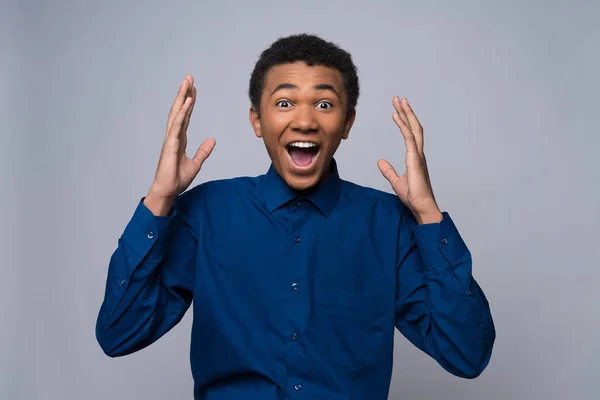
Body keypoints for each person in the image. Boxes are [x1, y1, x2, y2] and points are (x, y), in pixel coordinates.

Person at [96, 33, 495, 399]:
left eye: (324, 104)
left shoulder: (388, 224)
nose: (304, 121)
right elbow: (118, 334)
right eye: (284, 103)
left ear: (347, 123)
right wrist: (159, 199)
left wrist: (427, 214)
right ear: (257, 120)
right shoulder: (207, 213)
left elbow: (467, 355)